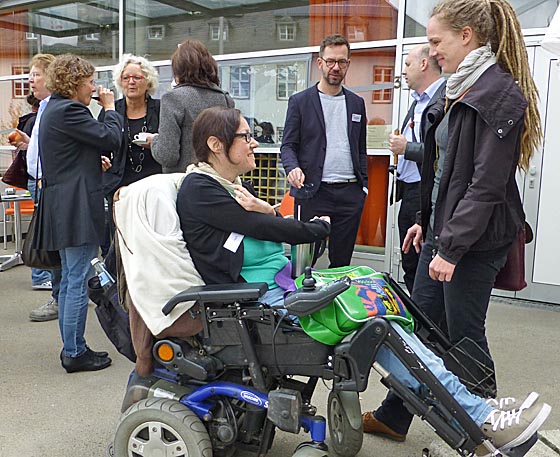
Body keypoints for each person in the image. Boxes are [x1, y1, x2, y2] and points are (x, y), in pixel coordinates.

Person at [177, 106, 550, 457]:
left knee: (382, 291)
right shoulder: (202, 189)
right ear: (216, 145)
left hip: (285, 291)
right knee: (378, 323)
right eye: (246, 136)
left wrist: (273, 212)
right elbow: (260, 229)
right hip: (264, 305)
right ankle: (477, 414)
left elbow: (260, 225)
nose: (254, 141)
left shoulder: (227, 187)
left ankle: (472, 410)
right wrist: (311, 228)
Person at [362, 0, 543, 446]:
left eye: (436, 41)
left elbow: (485, 185)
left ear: (467, 35)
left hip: (474, 241)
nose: (431, 51)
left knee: (462, 333)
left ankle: (497, 431)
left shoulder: (499, 94)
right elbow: (445, 170)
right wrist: (425, 222)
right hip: (443, 233)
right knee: (420, 328)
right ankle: (395, 413)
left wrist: (451, 248)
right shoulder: (458, 87)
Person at [36, 54, 122, 373]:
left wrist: (88, 161)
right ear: (75, 83)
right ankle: (74, 351)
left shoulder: (55, 109)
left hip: (63, 203)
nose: (94, 88)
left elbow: (69, 153)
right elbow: (111, 138)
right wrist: (110, 108)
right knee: (75, 280)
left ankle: (73, 347)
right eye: (89, 82)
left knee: (72, 278)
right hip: (77, 207)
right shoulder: (71, 109)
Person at [280, 34, 368, 268]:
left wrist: (363, 187)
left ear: (348, 64)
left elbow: (360, 148)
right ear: (320, 63)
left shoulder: (357, 103)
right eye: (330, 61)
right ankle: (299, 303)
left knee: (341, 262)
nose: (335, 67)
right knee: (304, 262)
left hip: (350, 193)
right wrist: (293, 167)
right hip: (312, 192)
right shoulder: (300, 102)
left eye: (341, 62)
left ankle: (336, 302)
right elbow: (288, 145)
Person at [8, 53, 63, 322]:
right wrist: (30, 144)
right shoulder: (42, 107)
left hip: (49, 185)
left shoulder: (55, 108)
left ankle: (59, 296)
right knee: (51, 243)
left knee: (52, 244)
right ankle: (61, 294)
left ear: (51, 77)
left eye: (36, 74)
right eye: (29, 74)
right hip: (40, 182)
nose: (30, 79)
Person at [389, 44, 446, 294]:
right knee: (410, 262)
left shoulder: (444, 99)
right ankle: (417, 317)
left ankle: (424, 322)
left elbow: (445, 155)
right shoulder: (417, 102)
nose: (403, 71)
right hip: (410, 193)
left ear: (424, 64)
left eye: (408, 64)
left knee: (421, 264)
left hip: (427, 195)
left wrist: (407, 148)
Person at [100, 54, 161, 249]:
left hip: (154, 186)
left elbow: (171, 143)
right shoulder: (112, 110)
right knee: (121, 243)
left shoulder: (160, 109)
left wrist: (156, 142)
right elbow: (100, 141)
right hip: (119, 187)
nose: (131, 82)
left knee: (151, 242)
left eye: (137, 77)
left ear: (148, 80)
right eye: (126, 78)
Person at [150, 39, 234, 173]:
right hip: (218, 181)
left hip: (184, 182)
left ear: (178, 69)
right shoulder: (226, 99)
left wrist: (154, 141)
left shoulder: (173, 98)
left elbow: (167, 156)